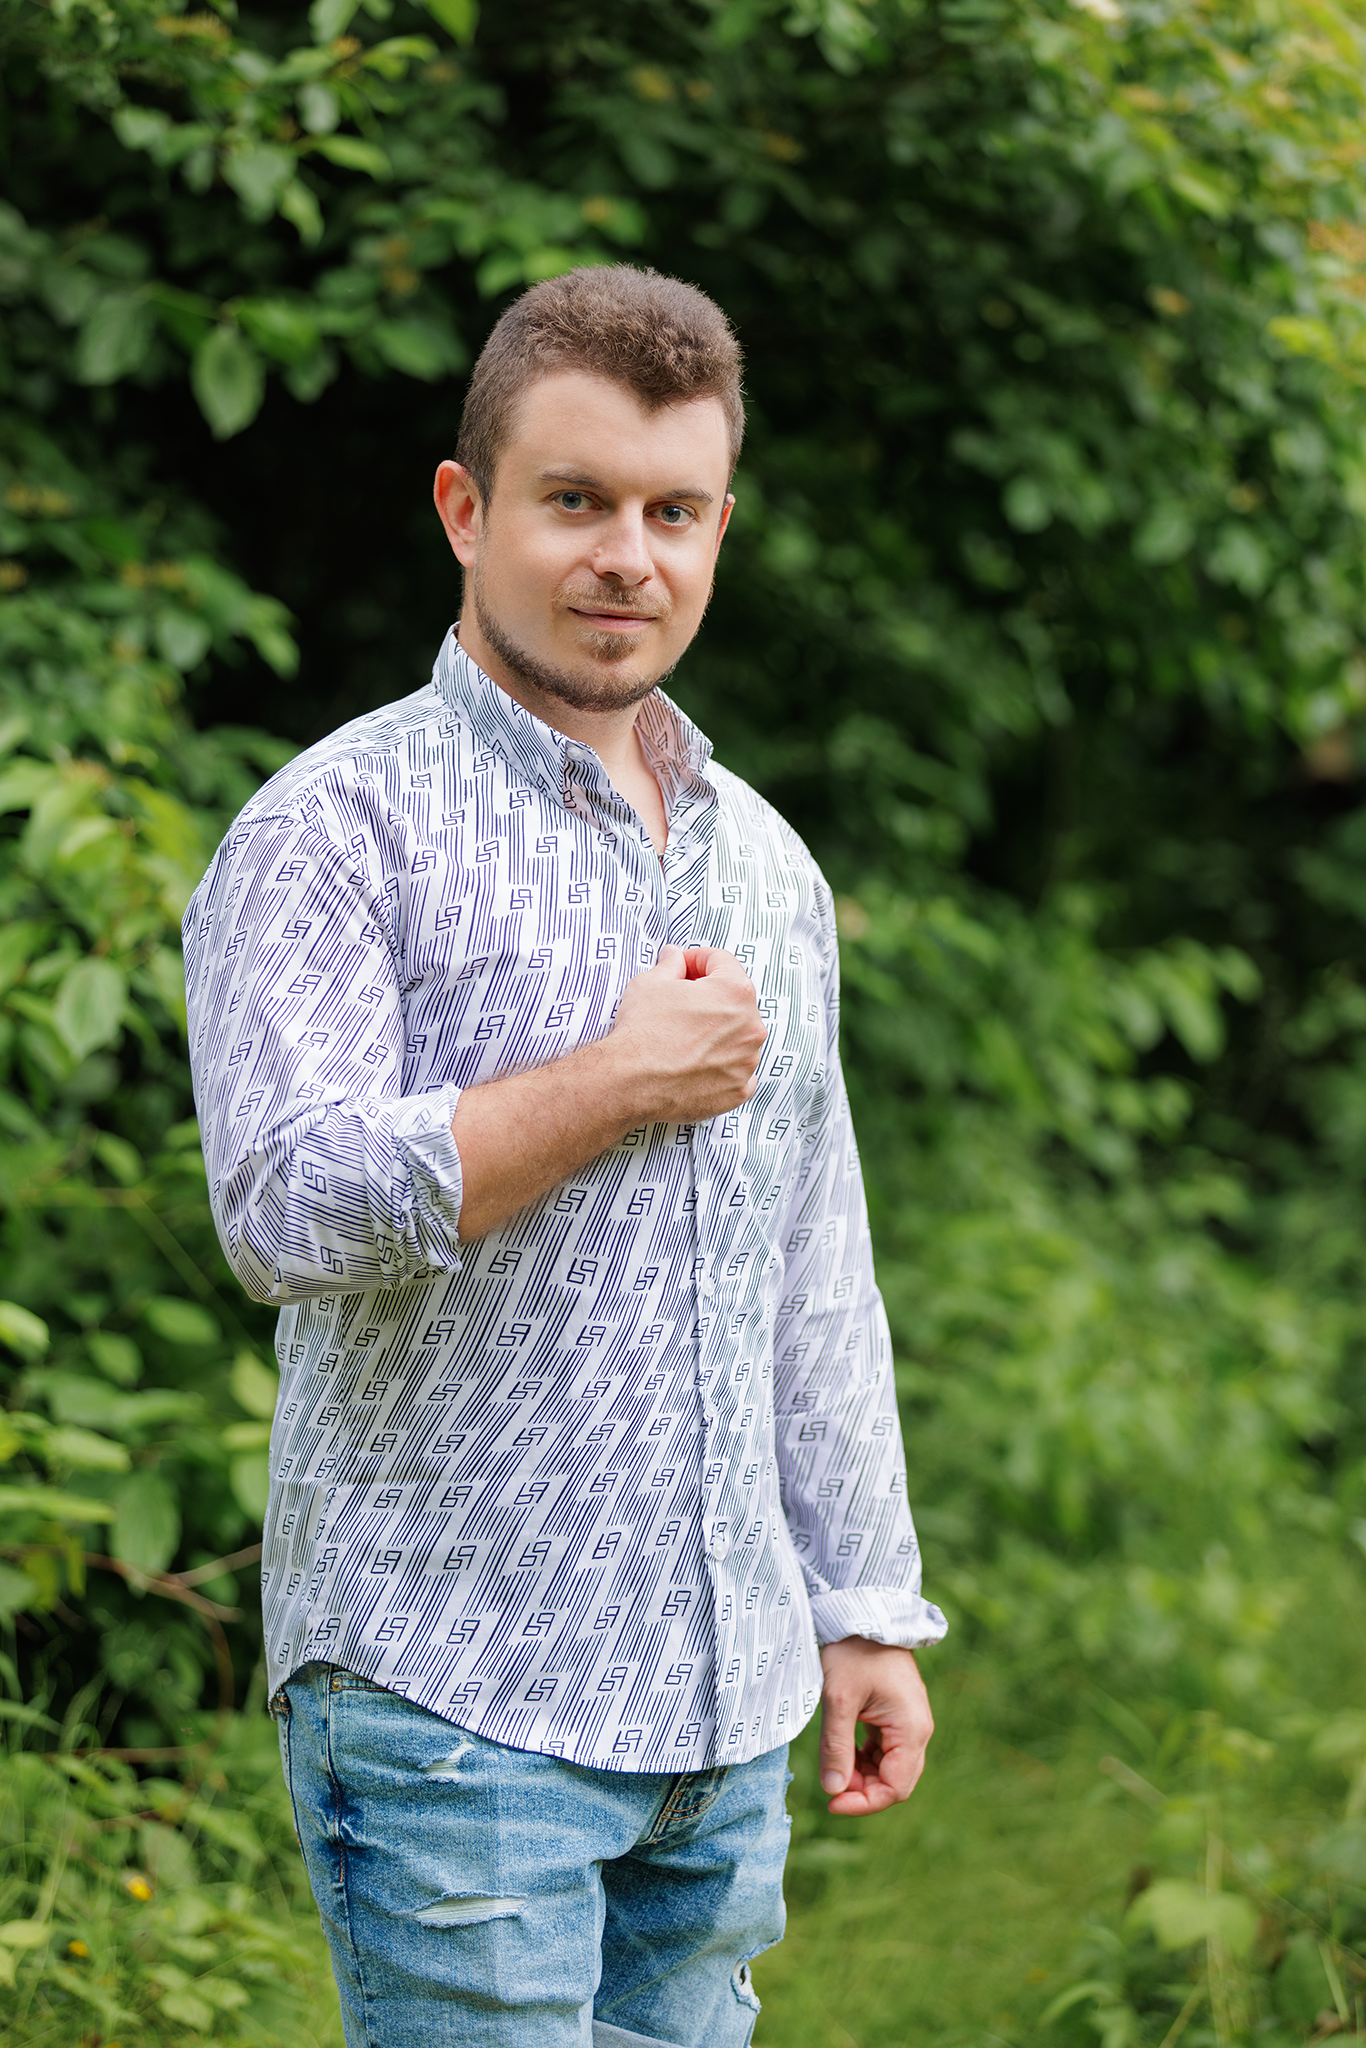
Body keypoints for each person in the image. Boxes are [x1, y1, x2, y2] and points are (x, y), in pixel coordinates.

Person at [184, 264, 946, 2048]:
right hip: (452, 1701)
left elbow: (811, 1259)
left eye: (673, 512)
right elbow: (282, 1210)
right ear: (467, 510)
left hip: (721, 1716)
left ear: (718, 528)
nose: (628, 557)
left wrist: (859, 1606)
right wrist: (610, 1082)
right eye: (577, 501)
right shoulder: (331, 829)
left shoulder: (764, 864)